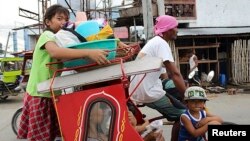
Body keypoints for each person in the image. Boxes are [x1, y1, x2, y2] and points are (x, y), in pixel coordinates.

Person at [17, 4, 110, 141]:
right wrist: (89, 52)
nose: (62, 23)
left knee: (51, 134)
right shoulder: (47, 35)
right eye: (59, 18)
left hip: (51, 92)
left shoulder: (59, 39)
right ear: (48, 22)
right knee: (40, 136)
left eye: (64, 20)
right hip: (39, 93)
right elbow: (55, 52)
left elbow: (70, 60)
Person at [128, 15, 187, 141]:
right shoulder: (161, 44)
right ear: (169, 29)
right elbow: (175, 74)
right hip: (147, 91)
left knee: (177, 85)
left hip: (139, 89)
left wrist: (178, 92)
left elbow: (165, 75)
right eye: (175, 27)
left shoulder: (155, 42)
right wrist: (187, 97)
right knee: (185, 115)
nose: (177, 30)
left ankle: (176, 104)